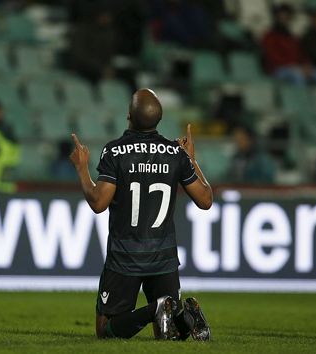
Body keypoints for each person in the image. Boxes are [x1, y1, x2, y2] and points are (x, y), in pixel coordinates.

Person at [69, 89, 213, 340]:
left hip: (125, 257)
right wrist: (192, 160)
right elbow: (206, 200)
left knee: (105, 331)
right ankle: (185, 316)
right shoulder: (176, 154)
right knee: (165, 336)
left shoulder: (114, 152)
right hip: (164, 257)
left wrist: (82, 170)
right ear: (159, 119)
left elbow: (98, 202)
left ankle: (155, 309)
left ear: (129, 116)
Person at [261, 4, 316, 87]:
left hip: (297, 68)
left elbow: (302, 54)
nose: (284, 19)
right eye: (281, 17)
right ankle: (301, 99)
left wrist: (307, 65)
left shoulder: (292, 38)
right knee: (298, 75)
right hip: (278, 70)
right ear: (276, 18)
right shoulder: (269, 36)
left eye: (287, 17)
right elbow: (273, 57)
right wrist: (294, 66)